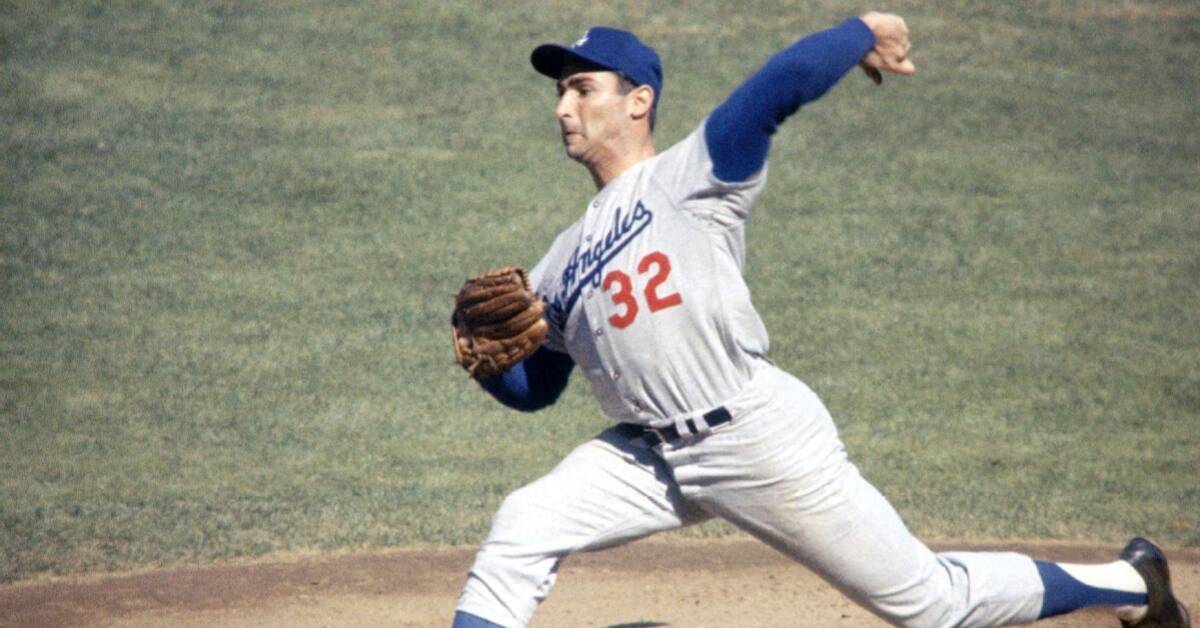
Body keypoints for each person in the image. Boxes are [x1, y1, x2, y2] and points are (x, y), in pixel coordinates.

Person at [450, 12, 1191, 628]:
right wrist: (486, 361)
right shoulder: (560, 261)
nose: (563, 107)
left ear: (638, 100)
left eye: (583, 89)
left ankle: (1132, 584)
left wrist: (862, 30)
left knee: (932, 605)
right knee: (524, 522)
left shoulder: (690, 174)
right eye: (561, 92)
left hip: (753, 436)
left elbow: (775, 88)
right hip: (648, 456)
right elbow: (537, 388)